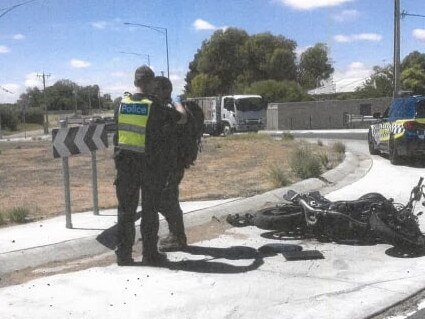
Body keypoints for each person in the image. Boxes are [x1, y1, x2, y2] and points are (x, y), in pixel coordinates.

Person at [113, 65, 186, 266]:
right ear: (152, 82)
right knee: (149, 211)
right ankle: (149, 254)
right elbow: (181, 119)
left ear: (136, 82)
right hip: (149, 166)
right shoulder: (154, 106)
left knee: (125, 211)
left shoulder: (120, 103)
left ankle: (124, 255)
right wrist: (176, 102)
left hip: (125, 166)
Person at [154, 76, 205, 252]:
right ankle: (176, 235)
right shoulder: (175, 107)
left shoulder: (170, 110)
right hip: (175, 163)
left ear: (163, 90)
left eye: (155, 89)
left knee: (164, 200)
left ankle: (177, 236)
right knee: (169, 198)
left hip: (170, 164)